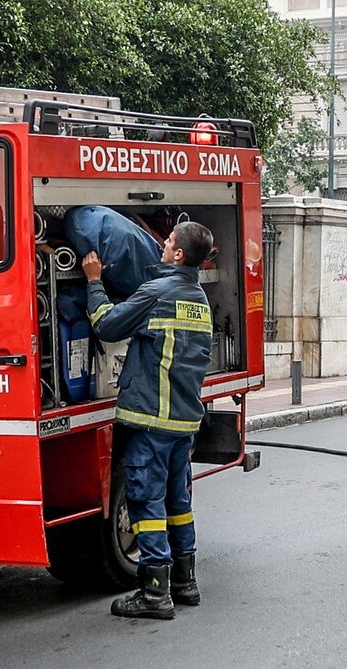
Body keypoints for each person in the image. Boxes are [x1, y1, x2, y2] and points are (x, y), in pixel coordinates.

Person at [82, 221, 213, 619]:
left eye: (168, 241)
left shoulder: (158, 292)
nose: (162, 244)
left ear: (178, 255)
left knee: (146, 501)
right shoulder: (199, 299)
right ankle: (185, 582)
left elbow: (106, 325)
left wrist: (93, 281)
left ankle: (155, 594)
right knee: (179, 502)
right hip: (183, 422)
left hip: (152, 420)